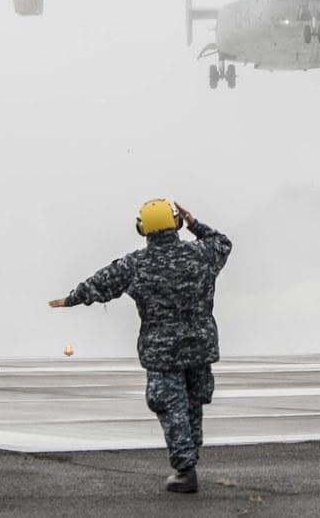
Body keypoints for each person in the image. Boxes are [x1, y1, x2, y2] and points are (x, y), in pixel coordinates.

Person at [48, 199, 232, 493]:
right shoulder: (201, 254)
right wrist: (195, 224)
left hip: (162, 352)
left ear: (142, 228)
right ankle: (190, 459)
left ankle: (186, 470)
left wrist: (71, 299)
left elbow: (100, 283)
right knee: (192, 404)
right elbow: (222, 242)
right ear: (176, 223)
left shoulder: (136, 264)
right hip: (199, 347)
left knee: (171, 407)